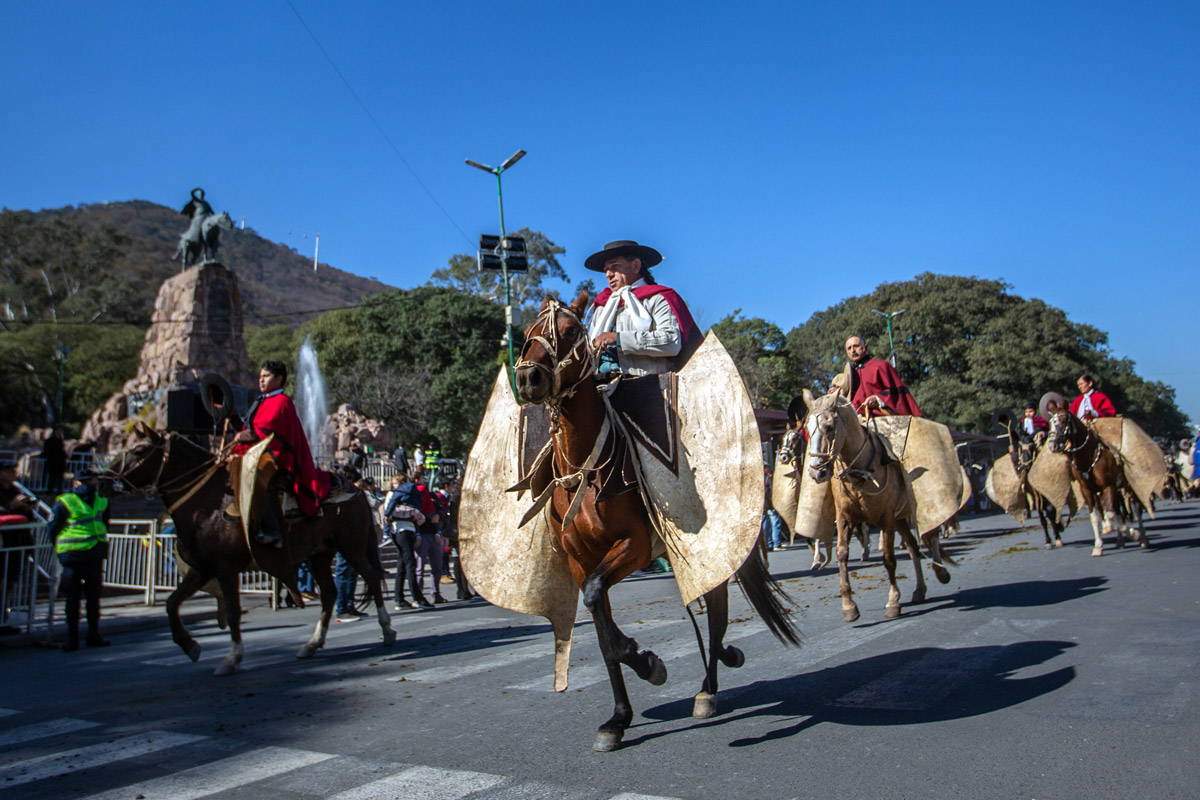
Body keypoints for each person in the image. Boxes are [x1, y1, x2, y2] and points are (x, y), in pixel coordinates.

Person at [232, 361, 331, 548]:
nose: (261, 380)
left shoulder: (282, 402)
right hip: (258, 452)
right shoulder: (261, 401)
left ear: (279, 379)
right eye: (260, 377)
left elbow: (267, 429)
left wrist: (246, 434)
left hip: (277, 456)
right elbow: (250, 429)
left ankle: (271, 529)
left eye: (266, 376)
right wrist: (234, 420)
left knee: (256, 476)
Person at [584, 240, 702, 378]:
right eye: (606, 270)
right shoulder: (602, 308)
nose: (608, 274)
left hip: (650, 386)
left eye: (615, 267)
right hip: (601, 386)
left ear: (635, 266)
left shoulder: (657, 299)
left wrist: (619, 339)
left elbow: (671, 342)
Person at [45, 468, 110, 651]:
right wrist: (58, 547)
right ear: (75, 483)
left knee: (93, 597)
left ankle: (93, 635)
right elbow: (53, 528)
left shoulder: (102, 500)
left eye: (92, 481)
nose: (89, 485)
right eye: (85, 481)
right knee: (72, 599)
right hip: (72, 556)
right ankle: (72, 639)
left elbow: (105, 523)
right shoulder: (65, 502)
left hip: (94, 555)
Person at [837, 335, 924, 417]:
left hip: (881, 417)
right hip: (855, 420)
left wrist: (878, 399)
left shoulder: (881, 366)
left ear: (865, 348)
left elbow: (897, 394)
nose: (853, 351)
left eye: (856, 346)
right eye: (849, 348)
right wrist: (836, 394)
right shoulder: (848, 376)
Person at [383, 474, 425, 609]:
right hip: (401, 529)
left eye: (396, 483)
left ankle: (399, 598)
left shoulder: (401, 494)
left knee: (402, 564)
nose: (394, 486)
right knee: (410, 563)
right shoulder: (396, 494)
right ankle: (417, 597)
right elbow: (390, 511)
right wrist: (413, 513)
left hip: (406, 528)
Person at [41, 427, 67, 496]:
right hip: (55, 463)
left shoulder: (56, 441)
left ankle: (53, 491)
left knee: (55, 479)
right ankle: (54, 491)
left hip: (55, 463)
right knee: (54, 478)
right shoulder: (56, 441)